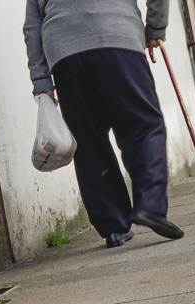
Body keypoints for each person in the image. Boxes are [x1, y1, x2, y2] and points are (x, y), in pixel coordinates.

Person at [24, 0, 185, 248]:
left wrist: (41, 79)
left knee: (88, 139)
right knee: (143, 126)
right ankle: (151, 205)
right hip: (117, 36)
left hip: (64, 52)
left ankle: (113, 227)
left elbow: (32, 24)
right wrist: (155, 28)